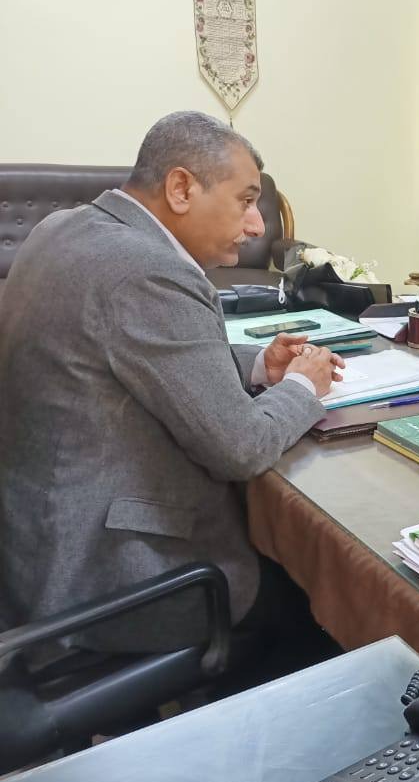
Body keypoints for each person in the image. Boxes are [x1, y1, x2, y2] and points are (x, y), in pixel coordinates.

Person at [0, 111, 343, 652]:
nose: (257, 226)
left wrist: (260, 365)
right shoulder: (150, 270)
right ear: (181, 188)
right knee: (324, 598)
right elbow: (242, 449)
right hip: (111, 577)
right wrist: (301, 386)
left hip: (34, 549)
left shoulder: (62, 229)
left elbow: (133, 359)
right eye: (245, 200)